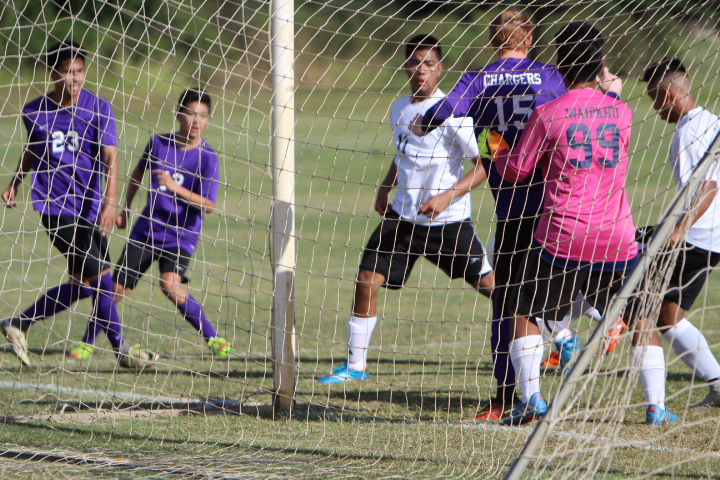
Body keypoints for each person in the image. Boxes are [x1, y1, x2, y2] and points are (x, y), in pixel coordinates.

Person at [494, 22, 660, 425]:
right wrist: (611, 92)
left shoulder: (547, 113)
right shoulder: (622, 111)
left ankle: (532, 399)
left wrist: (490, 141)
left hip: (563, 237)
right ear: (600, 64)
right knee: (641, 316)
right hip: (618, 237)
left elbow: (516, 170)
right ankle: (656, 405)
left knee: (521, 310)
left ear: (559, 65)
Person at [411, 8, 567, 419]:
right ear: (529, 38)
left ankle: (506, 396)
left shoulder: (476, 79)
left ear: (492, 40)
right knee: (553, 292)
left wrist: (422, 124)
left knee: (507, 303)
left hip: (512, 207)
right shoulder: (549, 76)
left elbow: (443, 111)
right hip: (554, 204)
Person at [316, 34, 493, 384]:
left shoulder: (455, 113)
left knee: (490, 287)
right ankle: (355, 366)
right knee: (366, 280)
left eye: (429, 63)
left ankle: (557, 334)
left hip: (447, 224)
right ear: (406, 66)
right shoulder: (399, 108)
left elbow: (485, 164)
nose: (421, 69)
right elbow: (404, 153)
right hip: (402, 219)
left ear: (441, 69)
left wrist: (446, 197)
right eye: (415, 62)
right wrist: (386, 186)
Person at [0, 41, 156, 369]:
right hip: (55, 208)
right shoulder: (34, 111)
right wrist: (15, 183)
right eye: (68, 71)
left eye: (80, 71)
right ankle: (122, 350)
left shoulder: (98, 108)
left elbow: (111, 159)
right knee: (101, 278)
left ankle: (18, 323)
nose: (75, 78)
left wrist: (110, 204)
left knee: (83, 284)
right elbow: (32, 149)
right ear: (53, 73)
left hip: (90, 210)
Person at [68, 89, 230, 360]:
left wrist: (174, 187)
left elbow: (209, 205)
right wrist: (125, 209)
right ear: (179, 114)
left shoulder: (208, 157)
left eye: (203, 116)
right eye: (191, 114)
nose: (196, 121)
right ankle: (87, 343)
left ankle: (214, 339)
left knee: (170, 285)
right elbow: (137, 174)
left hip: (180, 235)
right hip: (146, 230)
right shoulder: (158, 143)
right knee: (115, 289)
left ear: (209, 120)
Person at [640, 57, 720, 410]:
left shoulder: (688, 132)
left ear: (668, 94)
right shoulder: (711, 121)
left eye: (654, 99)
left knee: (653, 313)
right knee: (667, 317)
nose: (655, 109)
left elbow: (707, 186)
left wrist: (678, 229)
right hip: (711, 236)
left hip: (695, 236)